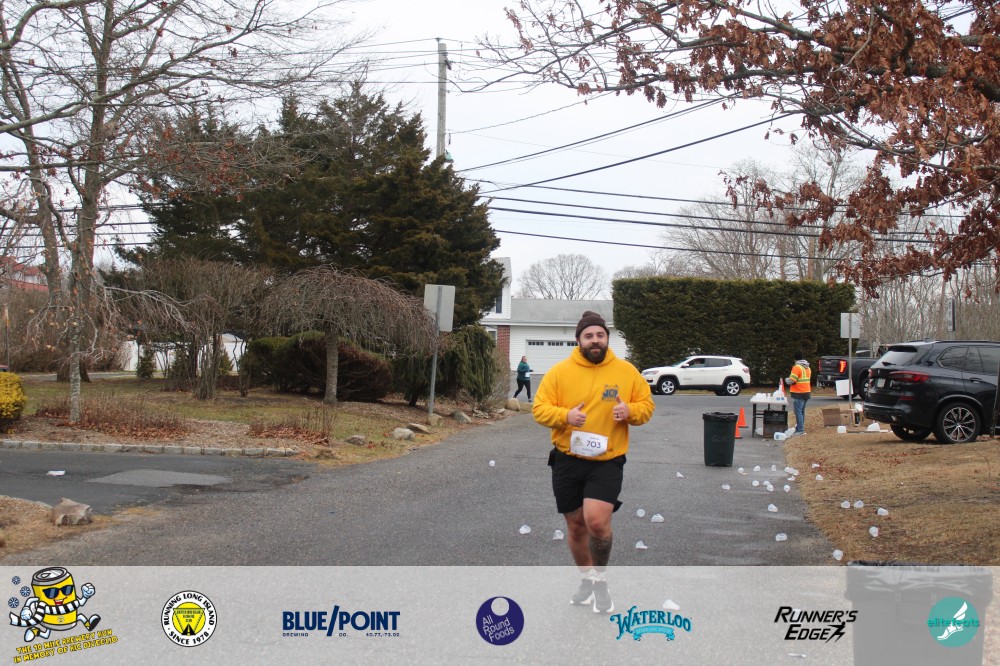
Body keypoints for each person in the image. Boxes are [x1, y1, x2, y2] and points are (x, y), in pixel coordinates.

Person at [532, 311, 655, 613]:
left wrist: (630, 412)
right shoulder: (559, 373)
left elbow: (646, 406)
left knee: (597, 522)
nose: (595, 340)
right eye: (589, 336)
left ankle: (601, 580)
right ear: (579, 340)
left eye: (600, 335)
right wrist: (566, 416)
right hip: (567, 461)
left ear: (607, 338)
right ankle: (587, 579)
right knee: (576, 527)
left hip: (606, 461)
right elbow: (539, 409)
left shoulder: (626, 371)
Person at [785, 351, 812, 435]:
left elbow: (792, 380)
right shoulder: (807, 367)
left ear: (794, 359)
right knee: (801, 411)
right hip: (806, 391)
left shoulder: (796, 367)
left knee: (798, 412)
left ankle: (800, 429)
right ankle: (800, 427)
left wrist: (786, 380)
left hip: (799, 392)